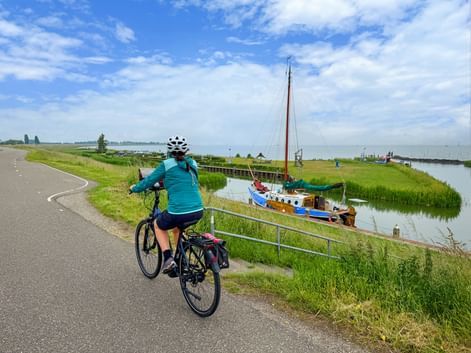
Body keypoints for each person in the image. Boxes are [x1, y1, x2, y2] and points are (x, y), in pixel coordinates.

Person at [129, 135, 203, 274]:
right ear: (186, 150)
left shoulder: (167, 164)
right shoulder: (193, 164)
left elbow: (149, 180)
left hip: (178, 211)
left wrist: (134, 188)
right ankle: (182, 261)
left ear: (169, 151)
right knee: (176, 229)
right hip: (198, 209)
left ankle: (168, 259)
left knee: (158, 224)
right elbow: (184, 181)